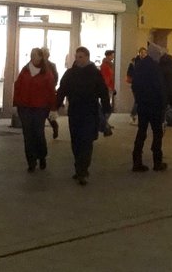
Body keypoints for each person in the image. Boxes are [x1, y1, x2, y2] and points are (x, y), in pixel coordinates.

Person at [55, 46, 111, 186]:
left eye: (81, 57)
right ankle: (78, 166)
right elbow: (62, 90)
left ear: (87, 57)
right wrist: (55, 106)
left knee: (86, 141)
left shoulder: (94, 73)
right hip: (74, 112)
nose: (78, 59)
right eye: (77, 56)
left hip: (90, 112)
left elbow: (103, 91)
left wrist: (106, 108)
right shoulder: (70, 74)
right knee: (76, 141)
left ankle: (82, 170)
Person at [12, 48, 54, 172]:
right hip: (24, 107)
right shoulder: (25, 71)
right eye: (31, 55)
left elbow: (51, 92)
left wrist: (53, 108)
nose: (32, 57)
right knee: (28, 135)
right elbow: (18, 87)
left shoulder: (47, 73)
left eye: (35, 55)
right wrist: (16, 103)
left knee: (38, 134)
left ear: (41, 57)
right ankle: (31, 161)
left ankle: (42, 156)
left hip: (40, 108)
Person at [130, 42, 167, 172]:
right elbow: (160, 88)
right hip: (155, 105)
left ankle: (137, 160)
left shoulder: (140, 65)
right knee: (157, 133)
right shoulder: (156, 68)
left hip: (143, 104)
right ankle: (157, 161)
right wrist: (163, 105)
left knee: (141, 132)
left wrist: (139, 99)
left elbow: (134, 85)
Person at [41, 47, 61, 139]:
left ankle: (55, 126)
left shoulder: (52, 65)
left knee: (48, 113)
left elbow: (56, 77)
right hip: (39, 92)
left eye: (46, 54)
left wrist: (53, 86)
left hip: (48, 92)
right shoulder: (36, 65)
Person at [125, 46, 146, 125]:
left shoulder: (145, 62)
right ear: (139, 53)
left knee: (139, 101)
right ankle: (133, 116)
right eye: (142, 53)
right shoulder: (134, 62)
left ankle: (136, 116)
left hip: (143, 85)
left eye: (144, 53)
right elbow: (129, 73)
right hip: (136, 85)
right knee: (138, 101)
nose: (143, 54)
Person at [99, 50, 117, 137]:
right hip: (106, 88)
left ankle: (105, 123)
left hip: (109, 87)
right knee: (107, 108)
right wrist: (109, 88)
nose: (113, 57)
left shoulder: (109, 65)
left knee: (106, 107)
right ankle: (104, 123)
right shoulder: (105, 65)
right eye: (112, 55)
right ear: (108, 56)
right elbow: (105, 78)